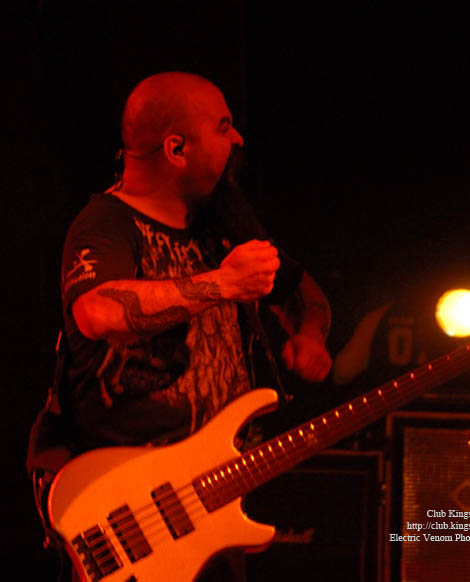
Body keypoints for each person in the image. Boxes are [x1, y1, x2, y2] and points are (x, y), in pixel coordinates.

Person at [28, 71, 332, 581]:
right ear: (176, 149)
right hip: (127, 503)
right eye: (223, 126)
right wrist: (223, 283)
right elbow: (97, 312)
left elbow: (299, 290)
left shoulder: (223, 220)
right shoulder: (106, 222)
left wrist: (309, 333)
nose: (238, 139)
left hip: (210, 493)